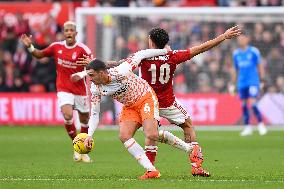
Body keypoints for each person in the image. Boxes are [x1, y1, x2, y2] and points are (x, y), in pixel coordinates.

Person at [135, 26, 241, 177]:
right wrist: (223, 37)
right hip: (168, 102)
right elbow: (200, 49)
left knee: (151, 135)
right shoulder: (173, 56)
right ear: (165, 43)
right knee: (187, 126)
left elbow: (119, 64)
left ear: (151, 42)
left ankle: (150, 170)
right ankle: (196, 165)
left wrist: (95, 65)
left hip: (149, 102)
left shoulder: (142, 57)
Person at [79, 48, 170, 179]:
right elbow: (94, 113)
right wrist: (89, 135)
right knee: (124, 135)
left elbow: (141, 54)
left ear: (101, 73)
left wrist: (164, 51)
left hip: (145, 97)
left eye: (92, 75)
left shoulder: (120, 71)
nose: (90, 79)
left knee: (151, 134)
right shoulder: (95, 87)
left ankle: (188, 148)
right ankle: (151, 170)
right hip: (130, 106)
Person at [20, 21, 93, 162]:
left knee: (84, 120)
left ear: (76, 33)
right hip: (63, 88)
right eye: (67, 30)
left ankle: (83, 150)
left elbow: (93, 66)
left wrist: (82, 75)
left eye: (72, 30)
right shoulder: (56, 47)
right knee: (67, 115)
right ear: (64, 33)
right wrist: (30, 46)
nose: (69, 32)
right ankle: (76, 147)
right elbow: (39, 55)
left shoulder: (83, 49)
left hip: (80, 90)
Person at [229, 34, 267, 136]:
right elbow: (235, 69)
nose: (240, 41)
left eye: (242, 39)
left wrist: (262, 80)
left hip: (253, 82)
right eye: (239, 39)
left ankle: (260, 124)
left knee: (253, 103)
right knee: (244, 104)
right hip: (242, 82)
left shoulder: (254, 51)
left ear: (247, 39)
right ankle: (248, 127)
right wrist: (233, 83)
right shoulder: (236, 54)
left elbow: (260, 66)